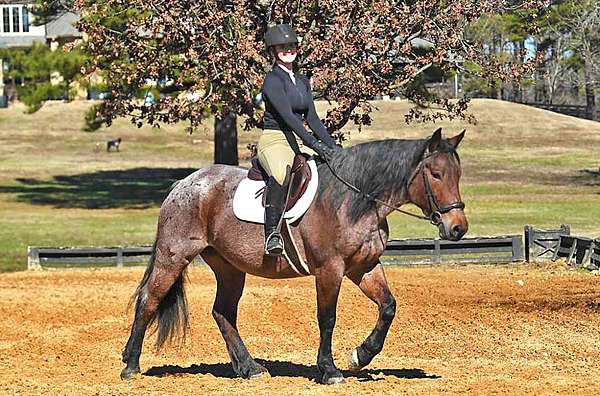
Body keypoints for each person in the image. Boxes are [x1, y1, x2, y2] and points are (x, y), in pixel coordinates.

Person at [259, 23, 339, 256]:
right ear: (273, 51)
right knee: (282, 173)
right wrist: (315, 145)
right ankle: (272, 234)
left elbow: (312, 119)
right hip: (275, 139)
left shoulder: (303, 80)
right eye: (282, 47)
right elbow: (289, 119)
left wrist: (333, 148)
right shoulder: (272, 80)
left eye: (292, 45)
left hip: (297, 139)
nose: (288, 49)